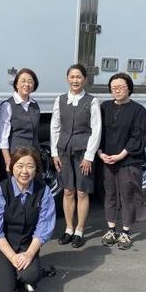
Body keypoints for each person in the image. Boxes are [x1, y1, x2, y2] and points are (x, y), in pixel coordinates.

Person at [0, 147, 56, 292]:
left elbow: (44, 228)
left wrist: (29, 254)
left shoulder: (44, 192)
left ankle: (20, 272)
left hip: (26, 245)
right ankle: (0, 266)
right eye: (20, 166)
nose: (24, 171)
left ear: (36, 169)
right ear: (12, 167)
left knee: (32, 276)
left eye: (30, 166)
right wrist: (12, 258)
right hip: (2, 246)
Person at [50, 64, 101, 248]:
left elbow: (96, 130)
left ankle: (80, 229)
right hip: (64, 151)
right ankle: (69, 228)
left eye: (79, 77)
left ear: (85, 79)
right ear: (67, 79)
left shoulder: (92, 101)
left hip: (83, 152)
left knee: (81, 191)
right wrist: (54, 153)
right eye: (72, 77)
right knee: (67, 191)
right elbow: (55, 127)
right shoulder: (60, 100)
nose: (75, 80)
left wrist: (89, 156)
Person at [98, 72, 146, 250]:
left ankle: (125, 232)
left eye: (121, 87)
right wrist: (100, 153)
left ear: (129, 88)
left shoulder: (138, 110)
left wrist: (121, 155)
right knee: (110, 195)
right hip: (107, 159)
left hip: (128, 160)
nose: (117, 90)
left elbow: (138, 136)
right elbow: (97, 132)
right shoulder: (104, 107)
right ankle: (111, 230)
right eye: (113, 88)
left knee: (127, 196)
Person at [0, 68, 41, 172]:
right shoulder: (7, 105)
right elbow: (2, 138)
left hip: (33, 156)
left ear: (34, 85)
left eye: (30, 81)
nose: (27, 84)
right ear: (16, 84)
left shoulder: (35, 105)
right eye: (23, 81)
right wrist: (8, 161)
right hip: (16, 157)